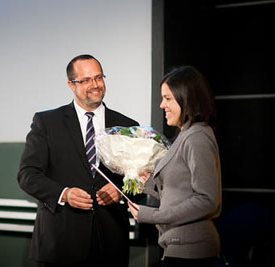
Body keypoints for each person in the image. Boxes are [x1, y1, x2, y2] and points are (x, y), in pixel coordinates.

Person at [17, 54, 139, 266]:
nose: (95, 85)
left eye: (99, 78)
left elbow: (140, 178)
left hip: (110, 245)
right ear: (71, 85)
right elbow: (27, 175)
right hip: (60, 244)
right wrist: (64, 193)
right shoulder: (47, 122)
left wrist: (120, 190)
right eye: (86, 80)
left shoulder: (127, 126)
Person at [128, 65, 221, 267]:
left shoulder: (196, 137)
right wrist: (145, 182)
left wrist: (152, 215)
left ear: (186, 98)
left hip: (191, 249)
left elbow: (207, 200)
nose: (162, 105)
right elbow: (180, 192)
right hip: (178, 246)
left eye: (168, 98)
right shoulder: (187, 134)